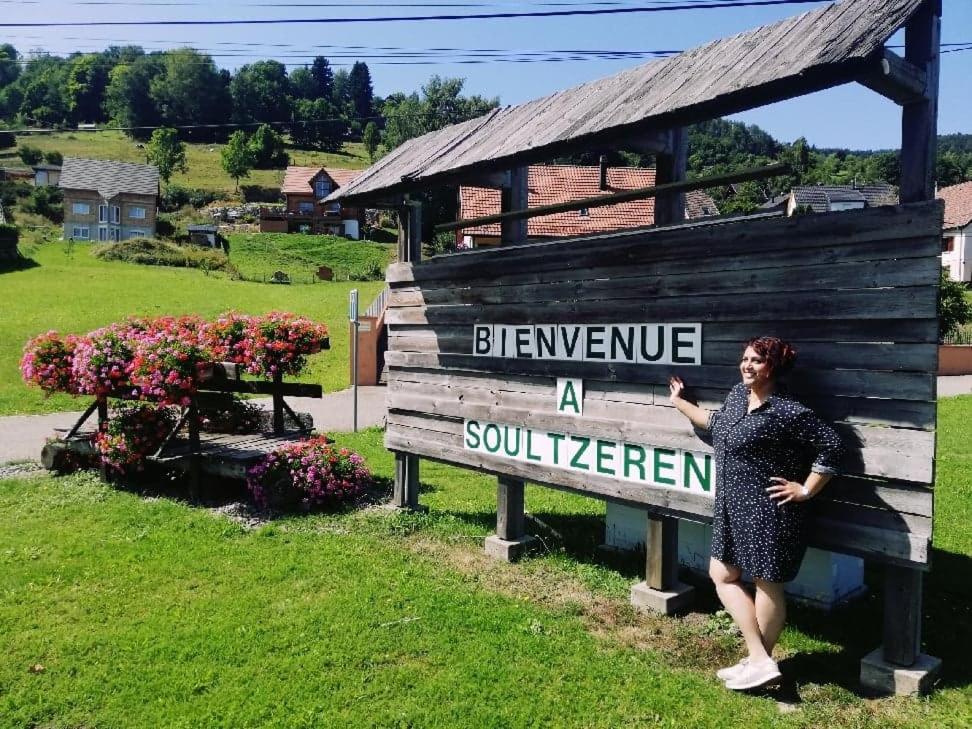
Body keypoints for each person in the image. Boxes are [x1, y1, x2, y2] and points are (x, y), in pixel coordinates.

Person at [668, 336, 842, 691]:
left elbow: (832, 445)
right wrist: (679, 403)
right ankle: (759, 659)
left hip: (771, 511)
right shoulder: (736, 396)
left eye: (757, 361)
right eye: (745, 359)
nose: (747, 365)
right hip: (733, 507)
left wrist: (806, 488)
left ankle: (758, 662)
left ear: (773, 367)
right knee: (722, 573)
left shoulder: (787, 410)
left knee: (766, 582)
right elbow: (712, 424)